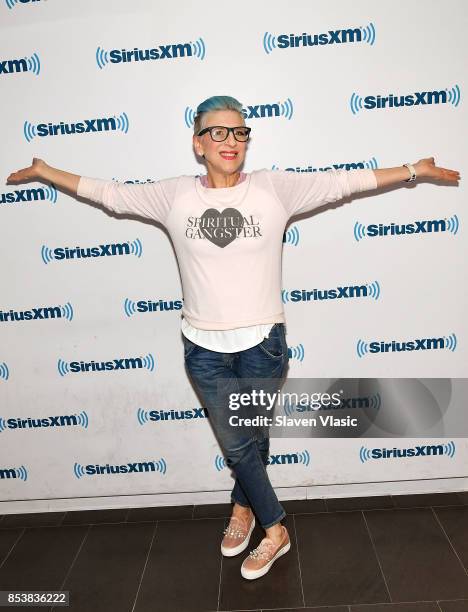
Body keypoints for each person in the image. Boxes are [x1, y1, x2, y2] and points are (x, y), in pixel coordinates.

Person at [6, 95, 460, 580]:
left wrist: (414, 169)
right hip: (203, 351)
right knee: (241, 446)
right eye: (218, 132)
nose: (231, 141)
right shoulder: (175, 195)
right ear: (198, 143)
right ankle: (275, 526)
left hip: (263, 344)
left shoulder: (273, 190)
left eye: (239, 132)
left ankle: (245, 511)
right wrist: (47, 171)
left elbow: (344, 183)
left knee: (251, 441)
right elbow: (112, 194)